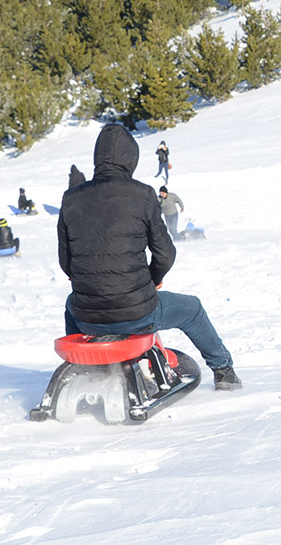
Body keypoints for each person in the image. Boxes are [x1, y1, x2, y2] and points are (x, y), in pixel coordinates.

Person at [59, 124, 239, 389]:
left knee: (71, 305)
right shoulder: (142, 194)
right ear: (131, 158)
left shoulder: (71, 198)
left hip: (88, 316)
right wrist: (153, 279)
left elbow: (66, 263)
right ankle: (224, 372)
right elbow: (165, 253)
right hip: (137, 310)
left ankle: (86, 368)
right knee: (192, 309)